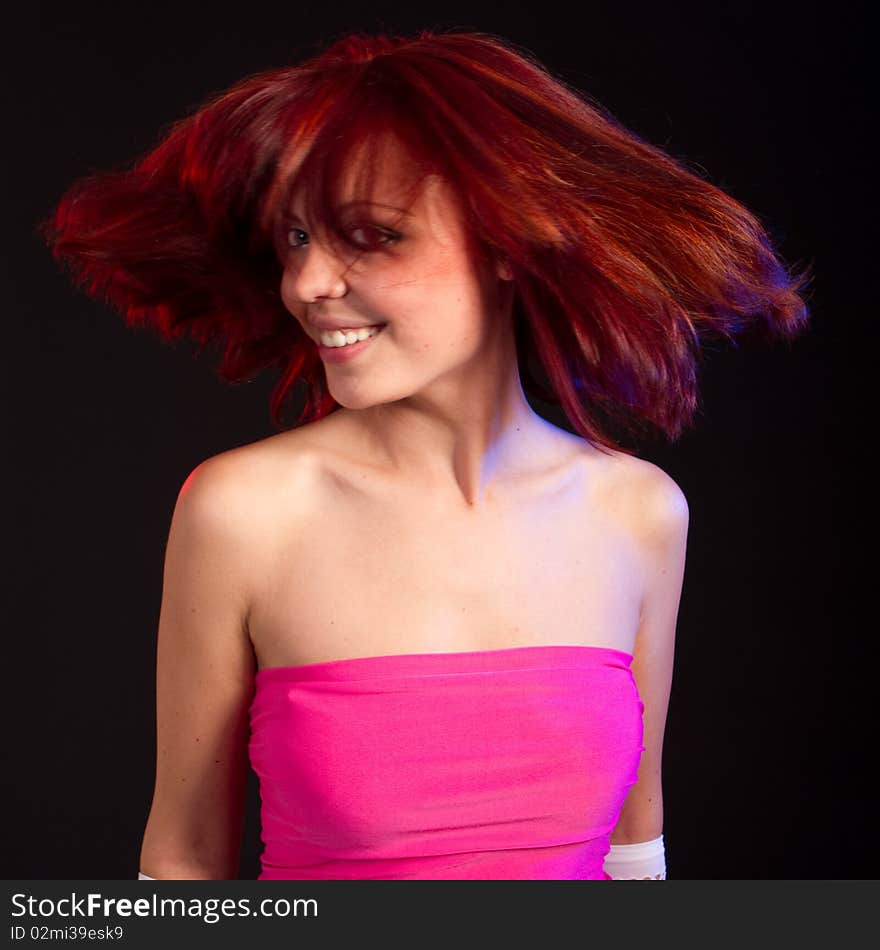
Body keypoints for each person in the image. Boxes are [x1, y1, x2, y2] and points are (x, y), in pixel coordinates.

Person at [39, 29, 810, 880]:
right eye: (296, 239)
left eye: (370, 236)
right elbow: (185, 859)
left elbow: (635, 849)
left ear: (512, 243)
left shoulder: (638, 512)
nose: (307, 284)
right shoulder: (245, 513)